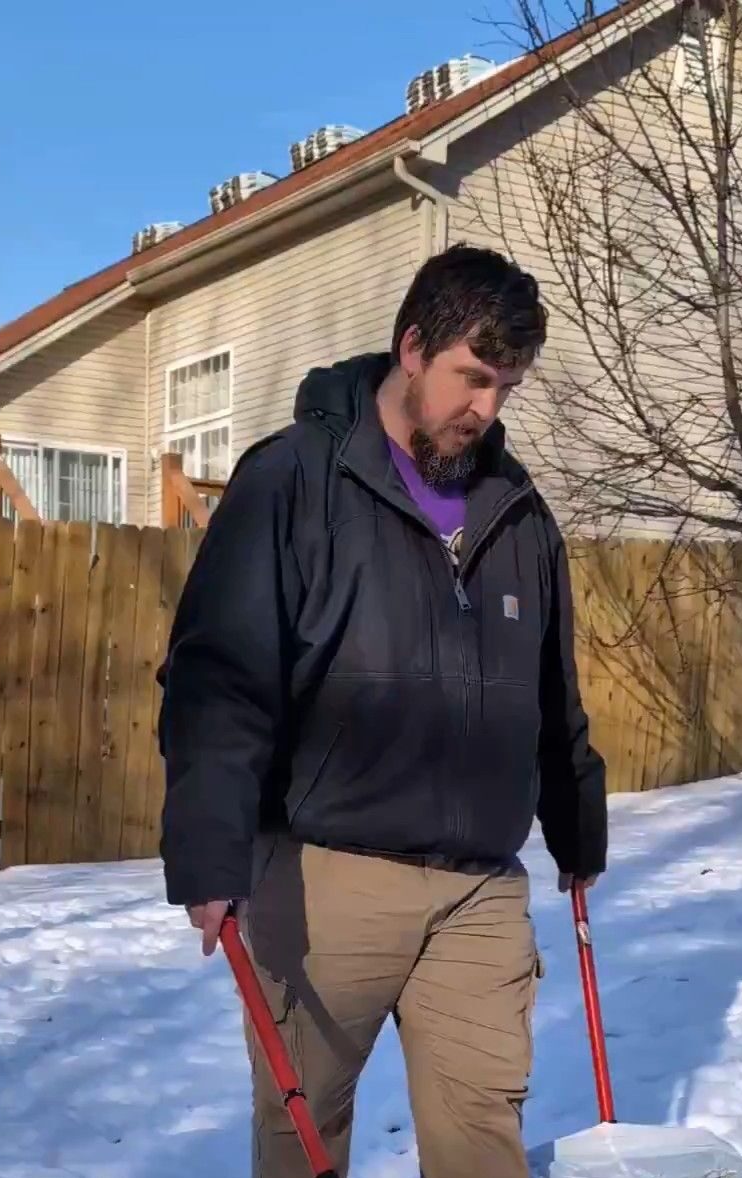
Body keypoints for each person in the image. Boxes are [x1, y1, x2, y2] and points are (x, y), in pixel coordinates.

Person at [157, 243, 608, 1178]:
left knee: (485, 1138)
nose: (485, 408)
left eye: (504, 387)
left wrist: (577, 824)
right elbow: (220, 677)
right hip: (329, 876)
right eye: (471, 377)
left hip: (480, 886)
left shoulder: (519, 516)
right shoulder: (292, 482)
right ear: (412, 347)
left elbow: (551, 696)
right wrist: (208, 844)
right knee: (304, 1136)